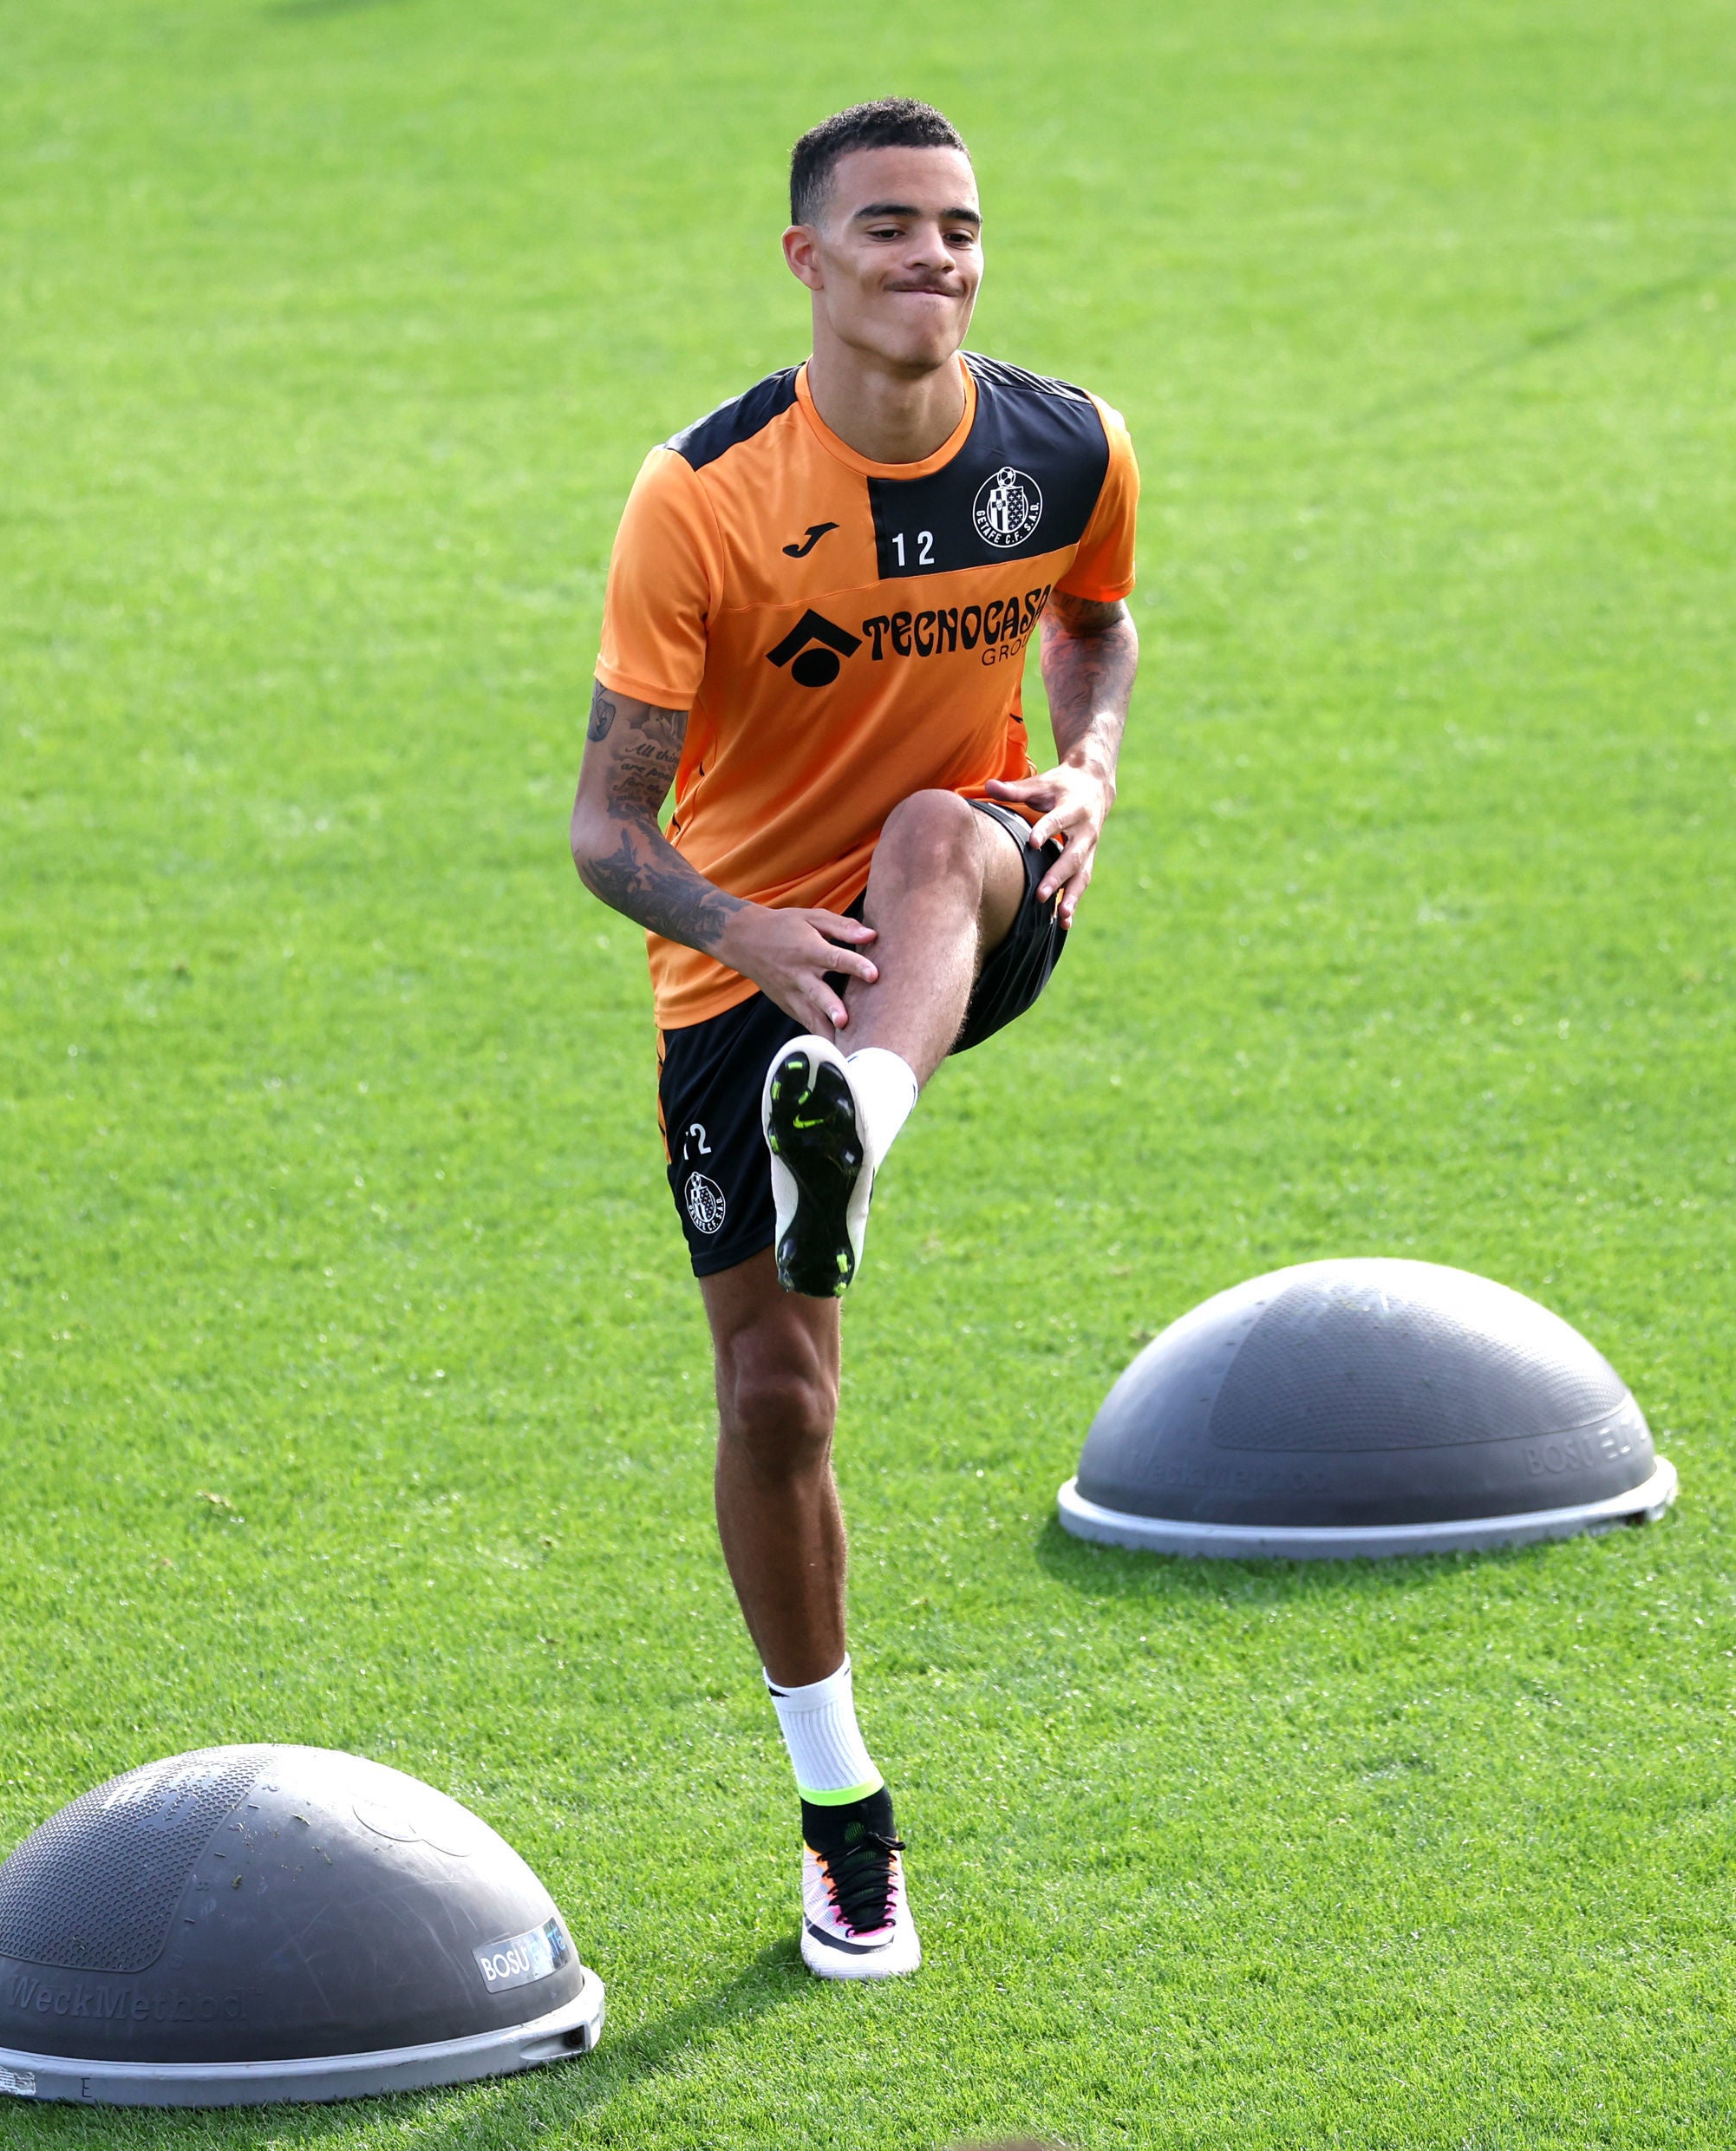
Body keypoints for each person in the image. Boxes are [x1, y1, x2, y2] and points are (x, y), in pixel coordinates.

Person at [567, 97, 1140, 1980]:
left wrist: (1090, 770)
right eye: (890, 229)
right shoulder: (705, 497)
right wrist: (742, 932)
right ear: (809, 262)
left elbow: (1100, 627)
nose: (936, 260)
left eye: (961, 229)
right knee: (776, 1402)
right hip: (751, 965)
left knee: (924, 832)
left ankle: (861, 1124)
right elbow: (607, 830)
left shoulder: (1067, 445)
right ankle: (841, 1816)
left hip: (968, 894)